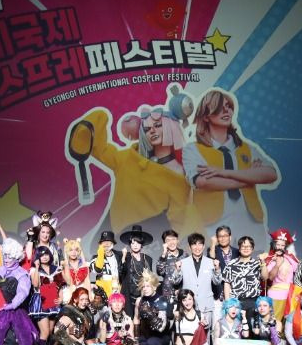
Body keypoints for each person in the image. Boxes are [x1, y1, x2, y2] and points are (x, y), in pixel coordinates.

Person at [65, 86, 202, 238]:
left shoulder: (180, 173)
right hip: (111, 234)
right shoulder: (129, 158)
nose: (152, 131)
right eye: (147, 129)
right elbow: (99, 148)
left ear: (172, 128)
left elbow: (179, 220)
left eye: (158, 125)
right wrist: (95, 120)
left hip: (147, 239)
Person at [182, 88, 278, 242]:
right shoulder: (192, 149)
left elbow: (271, 174)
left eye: (228, 106)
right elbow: (202, 182)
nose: (226, 110)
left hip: (252, 229)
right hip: (212, 231)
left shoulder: (247, 148)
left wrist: (223, 172)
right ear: (206, 116)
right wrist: (250, 177)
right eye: (219, 107)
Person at [171, 233, 220, 328]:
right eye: (194, 244)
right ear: (190, 247)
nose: (197, 247)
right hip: (188, 306)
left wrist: (217, 269)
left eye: (200, 244)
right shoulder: (183, 263)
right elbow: (175, 282)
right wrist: (177, 270)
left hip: (206, 306)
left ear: (204, 246)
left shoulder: (211, 262)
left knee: (204, 335)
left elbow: (217, 282)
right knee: (188, 334)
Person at [262, 229, 299, 318]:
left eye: (282, 245)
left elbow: (299, 271)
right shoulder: (271, 260)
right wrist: (277, 265)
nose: (280, 247)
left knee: (289, 322)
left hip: (290, 295)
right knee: (274, 320)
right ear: (274, 245)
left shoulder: (290, 259)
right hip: (276, 294)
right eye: (278, 244)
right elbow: (270, 278)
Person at [222, 236, 262, 315]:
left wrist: (263, 263)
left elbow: (265, 277)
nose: (246, 248)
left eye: (248, 246)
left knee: (252, 323)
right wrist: (227, 303)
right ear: (239, 248)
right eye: (243, 246)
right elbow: (227, 283)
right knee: (237, 323)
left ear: (252, 248)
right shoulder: (231, 264)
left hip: (253, 302)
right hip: (236, 303)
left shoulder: (257, 264)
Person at [119, 224, 154, 315]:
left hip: (144, 294)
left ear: (141, 244)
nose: (135, 245)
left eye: (138, 243)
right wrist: (123, 258)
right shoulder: (126, 258)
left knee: (144, 318)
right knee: (129, 318)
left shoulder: (148, 259)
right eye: (133, 243)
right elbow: (121, 273)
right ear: (130, 244)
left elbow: (151, 278)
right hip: (129, 295)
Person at [134, 270, 171, 345]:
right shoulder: (139, 301)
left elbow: (161, 327)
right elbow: (136, 319)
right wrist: (136, 338)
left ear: (154, 287)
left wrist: (150, 314)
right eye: (143, 287)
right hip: (144, 336)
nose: (145, 289)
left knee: (151, 343)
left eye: (148, 286)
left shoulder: (161, 301)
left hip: (159, 337)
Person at [155, 229, 185, 300]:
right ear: (164, 243)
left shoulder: (185, 255)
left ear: (177, 240)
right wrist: (164, 253)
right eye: (168, 240)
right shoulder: (163, 257)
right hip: (168, 294)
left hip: (183, 294)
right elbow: (160, 272)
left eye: (173, 239)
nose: (171, 242)